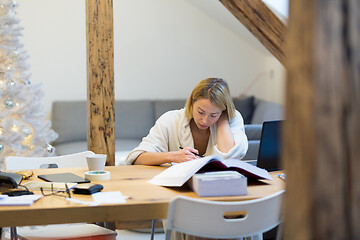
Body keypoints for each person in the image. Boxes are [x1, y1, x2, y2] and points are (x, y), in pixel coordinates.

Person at [126, 77, 248, 166]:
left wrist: (222, 120)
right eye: (200, 112)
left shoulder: (232, 119)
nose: (205, 120)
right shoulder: (170, 119)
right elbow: (137, 157)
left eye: (213, 115)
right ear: (192, 102)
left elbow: (229, 155)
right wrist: (173, 156)